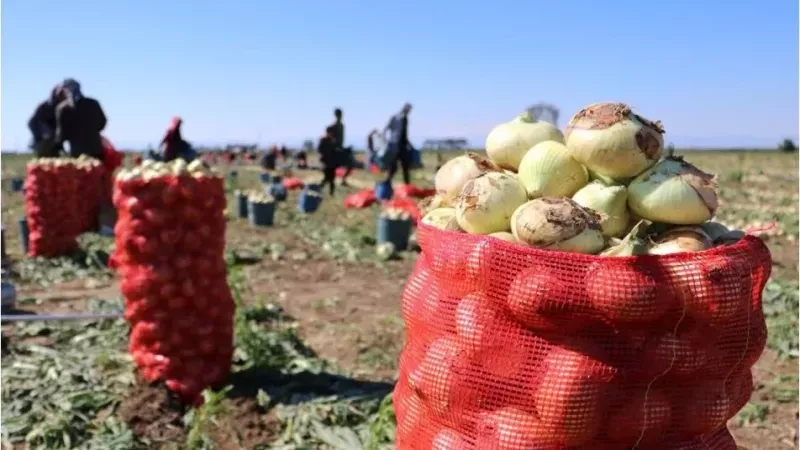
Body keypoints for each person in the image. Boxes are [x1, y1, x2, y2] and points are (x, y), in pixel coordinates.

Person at [55, 79, 107, 160]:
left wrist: (60, 144)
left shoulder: (62, 108)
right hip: (95, 147)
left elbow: (62, 132)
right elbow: (102, 122)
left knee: (79, 171)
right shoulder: (93, 103)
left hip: (76, 150)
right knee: (97, 170)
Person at [28, 84, 65, 157]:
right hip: (44, 143)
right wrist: (40, 136)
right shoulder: (45, 107)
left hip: (55, 144)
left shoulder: (63, 108)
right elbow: (32, 123)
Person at [383, 103, 413, 184]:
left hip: (403, 146)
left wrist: (409, 144)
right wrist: (386, 141)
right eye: (408, 110)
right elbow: (386, 129)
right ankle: (386, 182)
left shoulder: (406, 119)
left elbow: (405, 133)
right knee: (393, 166)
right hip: (395, 145)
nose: (408, 111)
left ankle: (407, 185)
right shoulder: (395, 117)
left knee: (405, 166)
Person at [318, 126, 338, 196]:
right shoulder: (323, 140)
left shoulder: (332, 140)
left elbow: (334, 150)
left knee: (332, 179)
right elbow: (320, 150)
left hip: (332, 162)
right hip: (326, 162)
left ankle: (331, 193)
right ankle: (319, 189)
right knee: (327, 178)